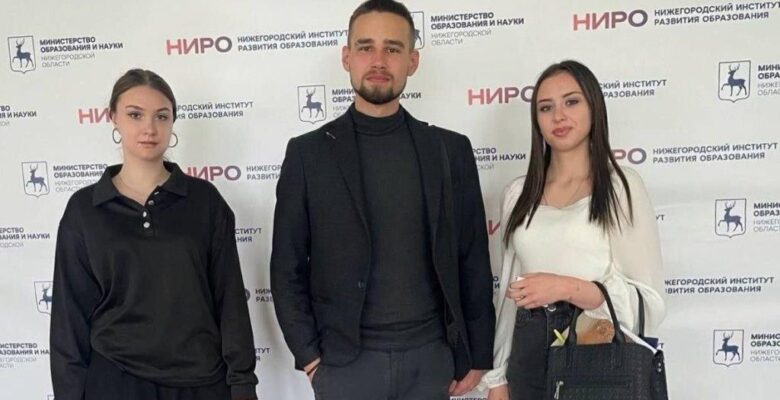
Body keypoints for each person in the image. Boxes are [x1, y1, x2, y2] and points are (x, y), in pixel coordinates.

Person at [270, 1, 495, 399]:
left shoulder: (450, 150)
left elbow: (472, 258)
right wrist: (310, 357)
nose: (378, 60)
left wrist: (477, 354)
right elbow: (287, 266)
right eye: (365, 47)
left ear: (412, 61)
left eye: (392, 48)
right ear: (346, 57)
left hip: (430, 362)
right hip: (344, 367)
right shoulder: (308, 154)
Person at [50, 69, 259, 400]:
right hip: (116, 383)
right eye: (135, 115)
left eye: (161, 116)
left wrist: (243, 384)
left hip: (201, 383)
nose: (149, 128)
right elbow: (68, 318)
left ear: (173, 122)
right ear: (113, 118)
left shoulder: (204, 201)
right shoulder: (85, 209)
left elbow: (230, 300)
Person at [481, 60, 665, 400]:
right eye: (546, 107)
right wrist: (497, 379)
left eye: (571, 101)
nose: (559, 116)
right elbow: (508, 294)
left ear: (594, 107)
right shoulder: (518, 194)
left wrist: (568, 288)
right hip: (527, 359)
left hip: (596, 357)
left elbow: (649, 302)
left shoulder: (620, 187)